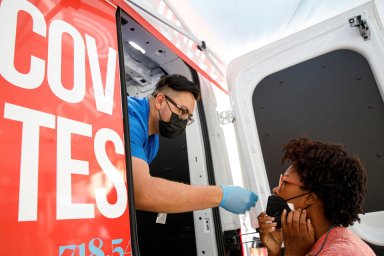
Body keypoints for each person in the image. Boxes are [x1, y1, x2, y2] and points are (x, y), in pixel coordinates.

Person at [128, 74, 257, 214]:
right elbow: (141, 193)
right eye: (182, 111)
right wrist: (220, 195)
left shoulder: (153, 142)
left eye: (188, 117)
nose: (183, 120)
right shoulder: (128, 117)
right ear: (160, 100)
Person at [257, 137, 375, 256]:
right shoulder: (330, 242)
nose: (275, 190)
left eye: (285, 182)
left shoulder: (339, 252)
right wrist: (274, 251)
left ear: (310, 198)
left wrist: (293, 253)